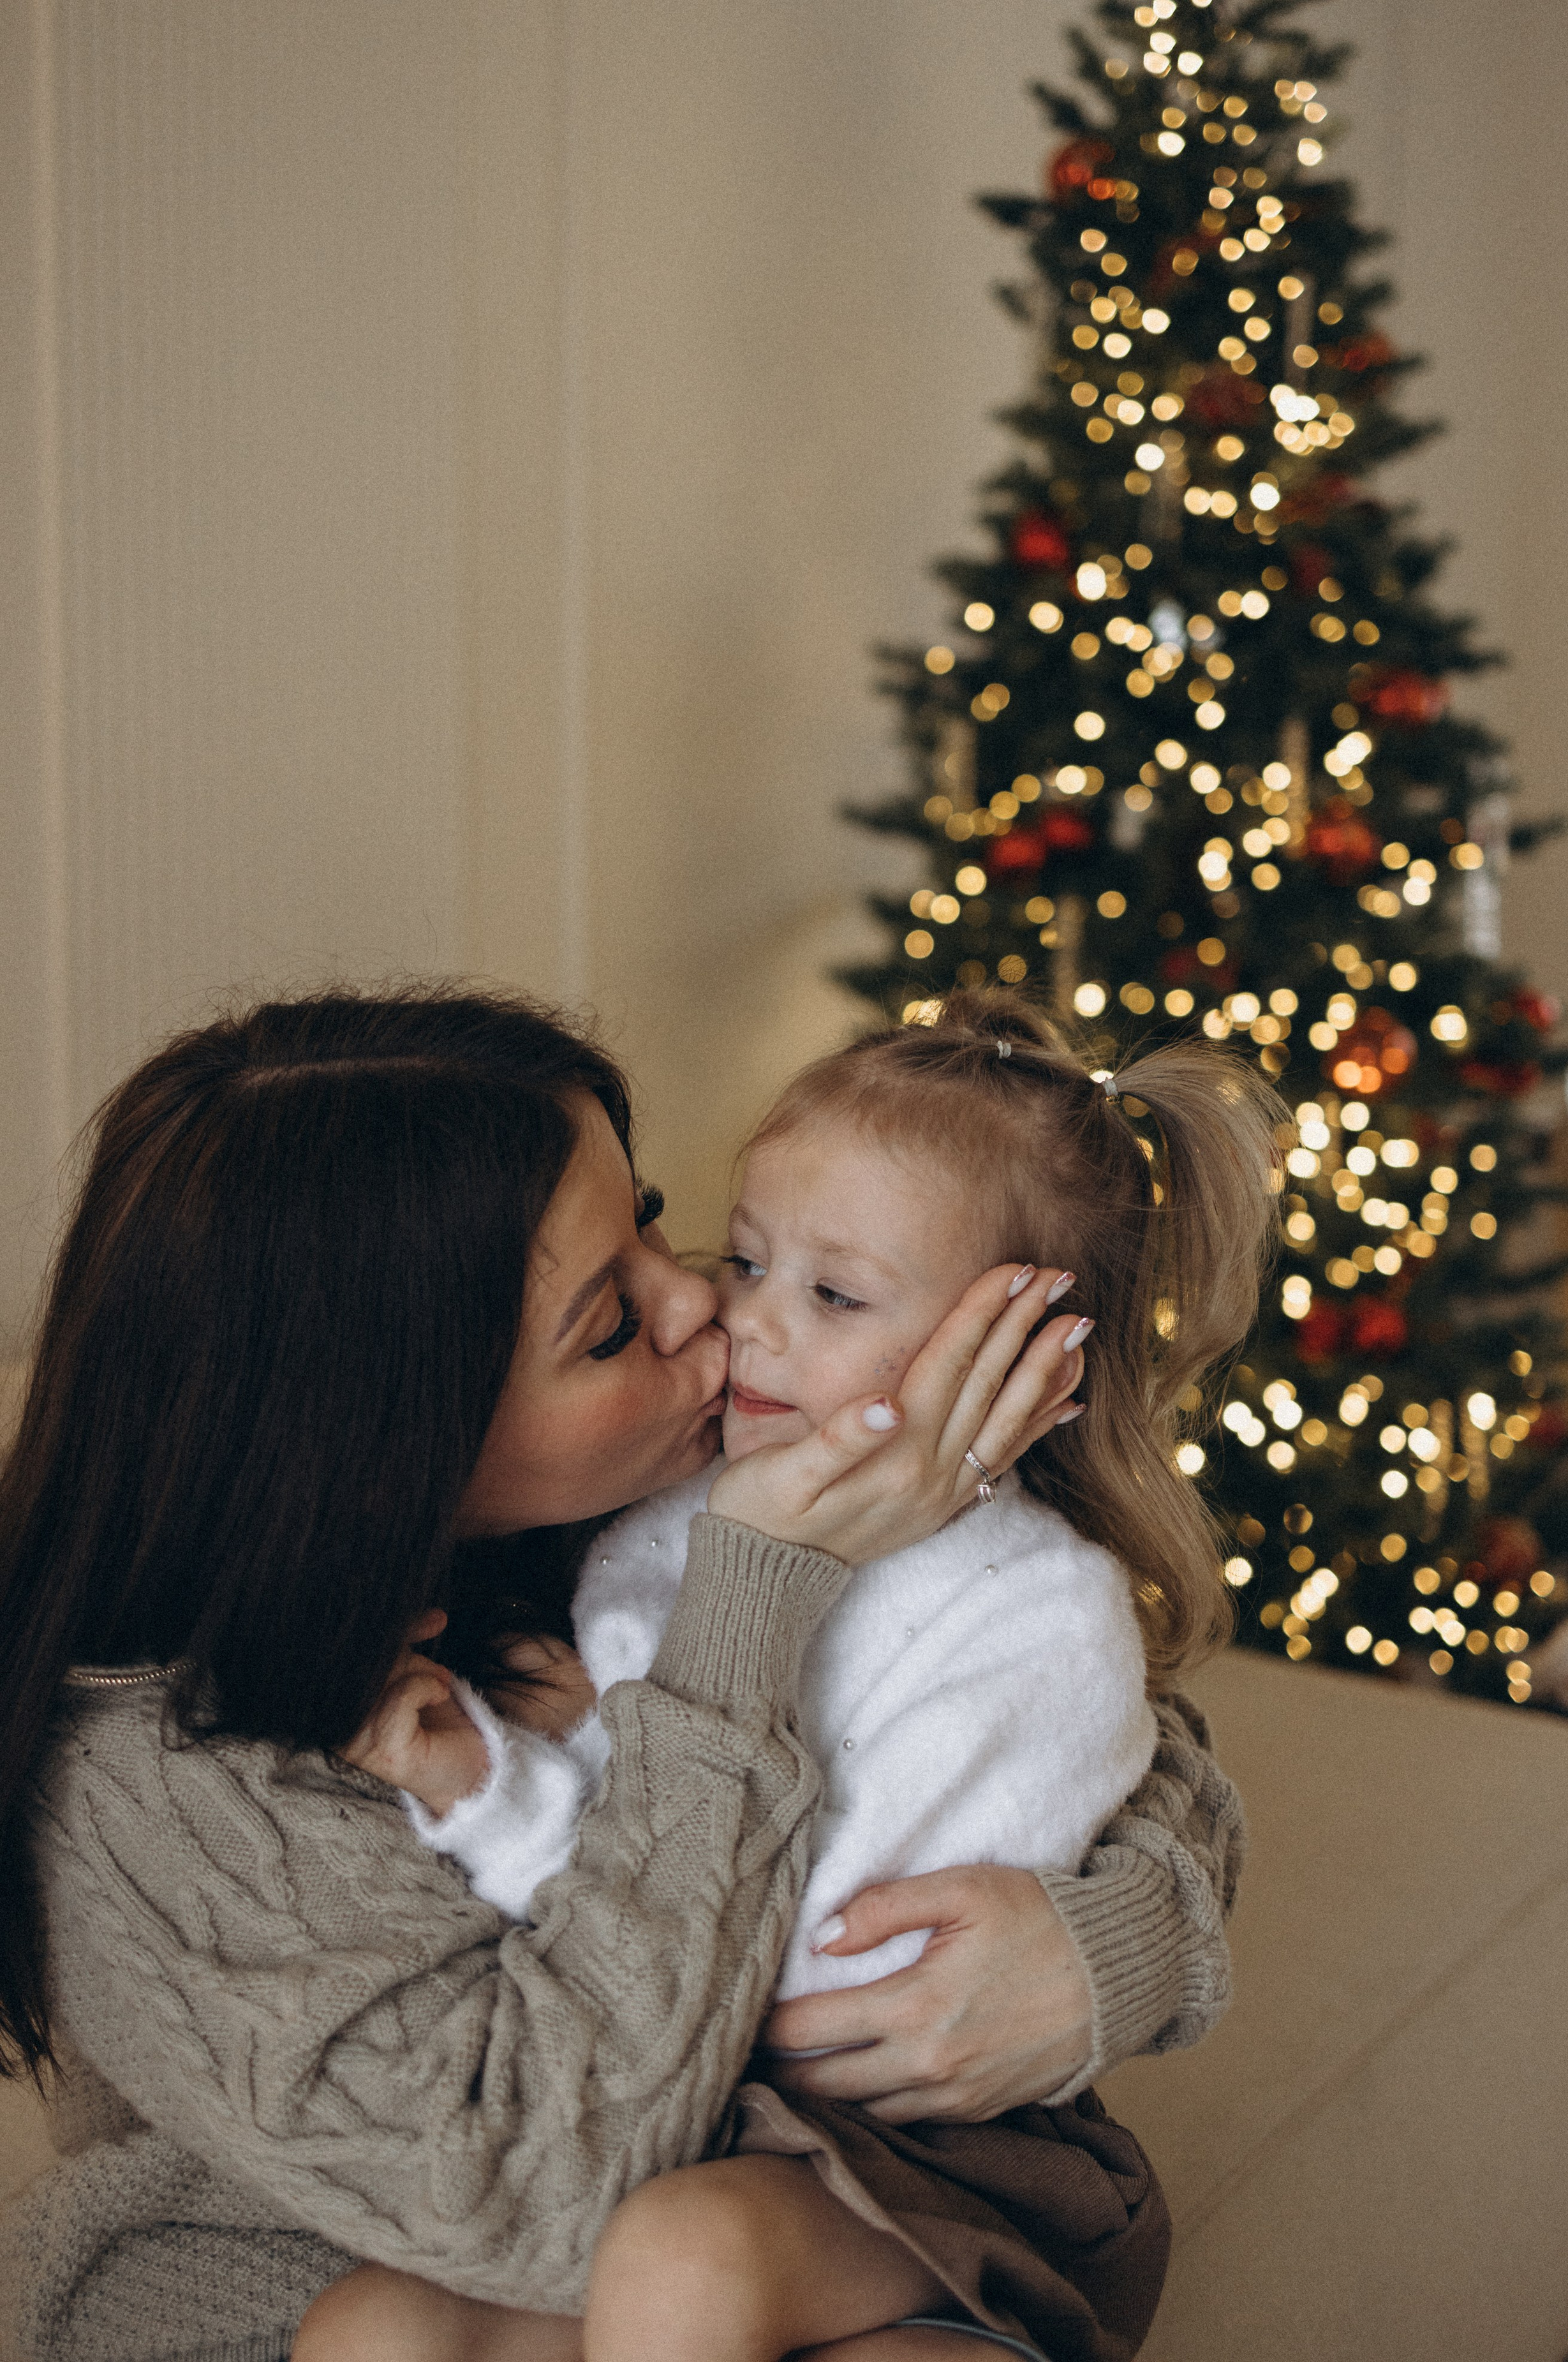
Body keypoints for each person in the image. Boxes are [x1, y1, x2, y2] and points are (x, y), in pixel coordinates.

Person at [0, 988, 1245, 2362]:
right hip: (348, 2268)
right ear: (388, 1434)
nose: (702, 1300)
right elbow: (560, 2185)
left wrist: (1108, 1940)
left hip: (752, 2192)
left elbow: (1097, 1720)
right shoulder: (157, 1792)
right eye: (607, 1322)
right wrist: (754, 1588)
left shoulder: (618, 1480)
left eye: (652, 1220)